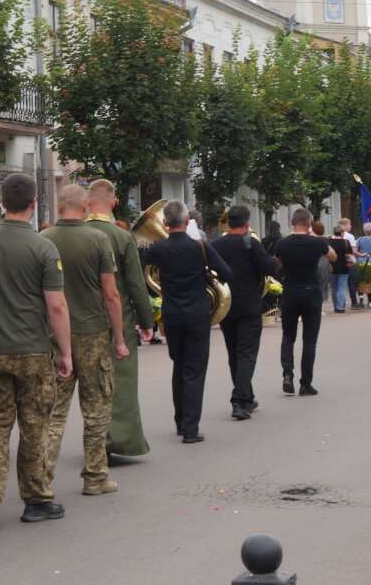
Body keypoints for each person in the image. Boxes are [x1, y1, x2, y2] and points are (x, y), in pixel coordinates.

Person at [0, 173, 73, 529]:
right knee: (35, 425)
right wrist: (65, 352)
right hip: (32, 350)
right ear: (33, 203)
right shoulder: (43, 247)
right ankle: (36, 499)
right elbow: (56, 305)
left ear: (2, 202)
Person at [42, 185, 128, 483]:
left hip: (54, 334)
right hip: (93, 332)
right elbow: (111, 294)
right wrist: (119, 338)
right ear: (87, 206)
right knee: (96, 409)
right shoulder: (97, 239)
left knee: (54, 412)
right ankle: (95, 475)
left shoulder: (44, 239)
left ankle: (42, 479)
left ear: (60, 205)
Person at [142, 200, 230, 443]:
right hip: (198, 315)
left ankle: (181, 422)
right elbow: (226, 273)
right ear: (188, 221)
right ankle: (190, 429)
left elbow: (140, 271)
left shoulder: (158, 249)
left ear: (165, 223)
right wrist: (207, 276)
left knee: (179, 365)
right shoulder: (200, 247)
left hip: (171, 315)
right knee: (194, 370)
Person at [85, 178, 155, 459]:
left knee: (90, 384)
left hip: (80, 320)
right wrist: (147, 321)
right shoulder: (122, 237)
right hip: (119, 320)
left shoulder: (74, 233)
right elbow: (136, 285)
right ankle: (119, 439)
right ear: (113, 202)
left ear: (88, 202)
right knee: (121, 381)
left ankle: (93, 440)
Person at [212, 205, 278, 421]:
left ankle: (247, 397)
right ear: (247, 223)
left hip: (226, 306)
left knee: (234, 353)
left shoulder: (216, 244)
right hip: (249, 306)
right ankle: (239, 401)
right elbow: (270, 269)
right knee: (247, 354)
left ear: (228, 223)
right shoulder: (251, 244)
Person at [273, 209, 335, 395]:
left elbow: (276, 263)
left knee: (288, 336)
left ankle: (287, 375)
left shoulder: (282, 243)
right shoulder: (317, 243)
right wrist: (317, 239)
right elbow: (333, 256)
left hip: (290, 292)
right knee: (309, 340)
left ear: (292, 222)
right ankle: (305, 383)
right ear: (309, 223)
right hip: (311, 293)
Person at [326, 225, 353, 314]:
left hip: (331, 267)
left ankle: (336, 307)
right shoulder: (346, 242)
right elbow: (350, 255)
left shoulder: (329, 242)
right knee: (341, 287)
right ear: (342, 233)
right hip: (344, 267)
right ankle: (340, 307)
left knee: (334, 288)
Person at [354, 223, 371, 309]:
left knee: (361, 281)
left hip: (360, 262)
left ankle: (361, 298)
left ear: (364, 231)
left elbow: (355, 250)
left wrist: (361, 254)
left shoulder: (360, 239)